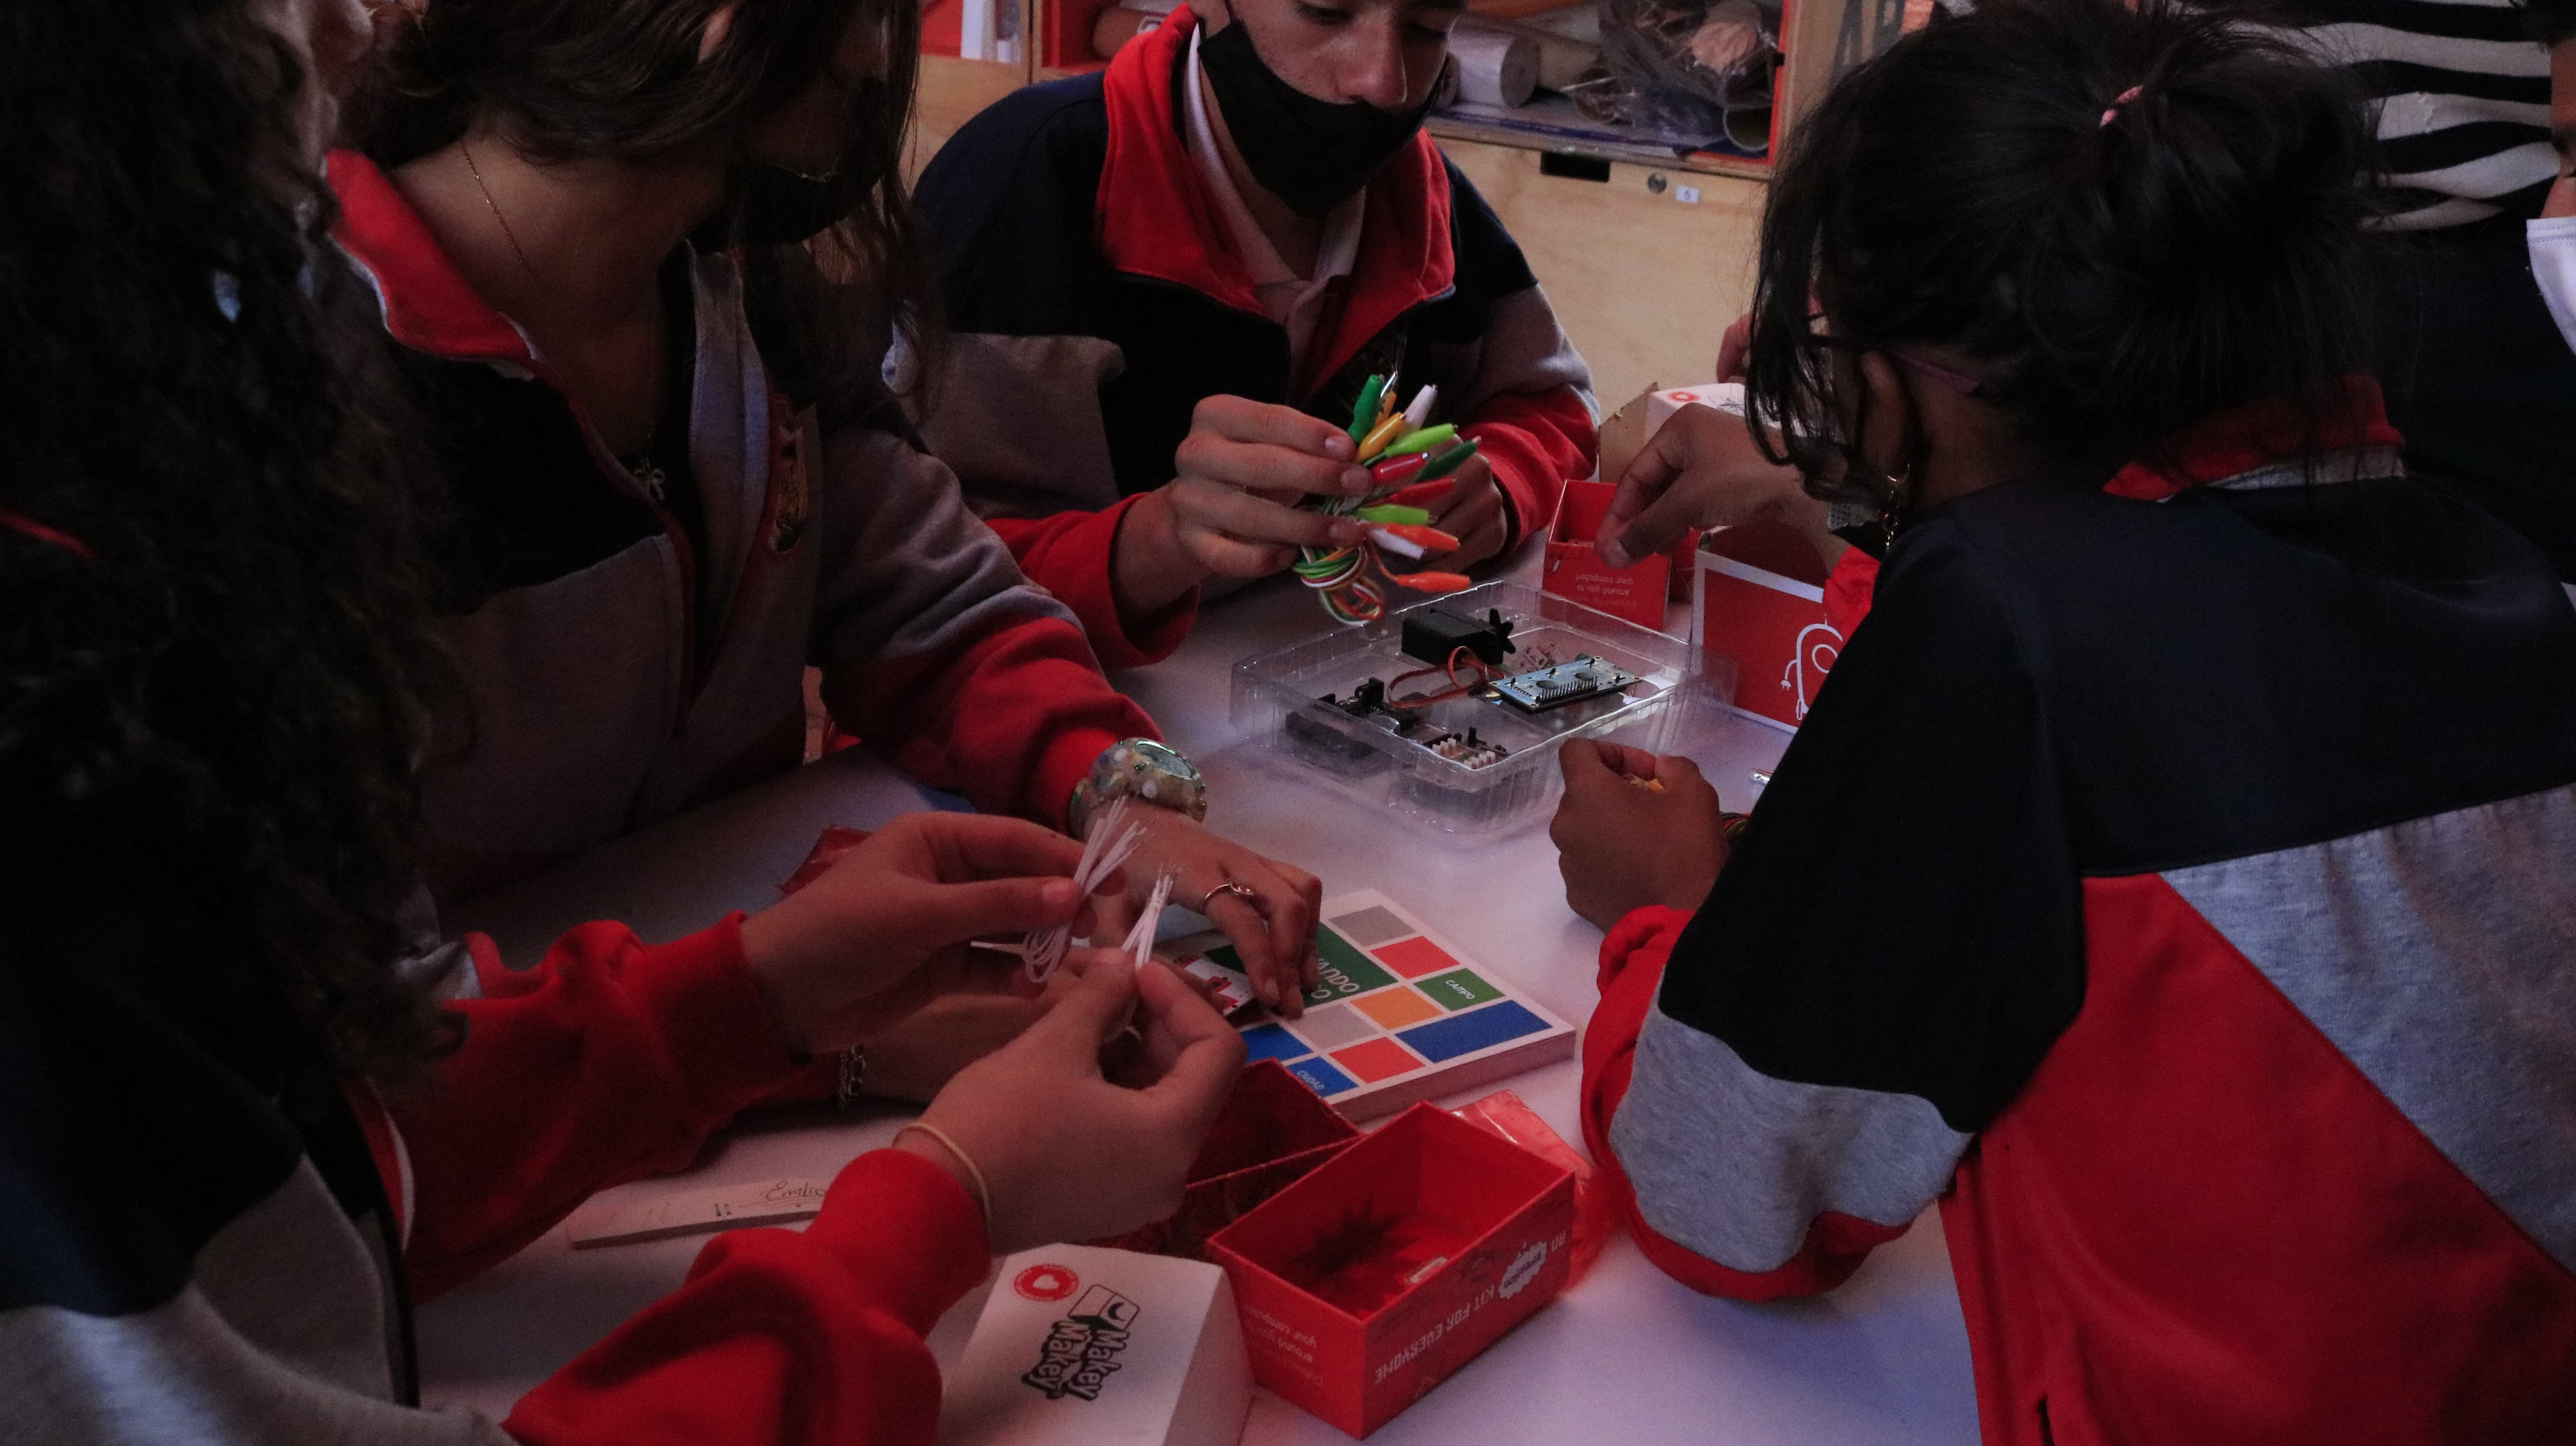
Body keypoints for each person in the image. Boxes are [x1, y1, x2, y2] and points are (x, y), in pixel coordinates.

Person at [0, 3, 1244, 1442]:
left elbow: (351, 1129)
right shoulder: (131, 651)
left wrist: (762, 995)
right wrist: (944, 1198)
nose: (363, 33)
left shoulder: (748, 296)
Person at [1548, 3, 2576, 1441]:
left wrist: (1665, 912)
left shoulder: (2006, 622)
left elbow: (1721, 1204)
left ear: (1917, 380)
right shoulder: (2489, 557)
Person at [335, 0, 1324, 1027]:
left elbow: (934, 607)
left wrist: (1115, 788)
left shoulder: (746, 291)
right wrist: (798, 1038)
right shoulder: (292, 380)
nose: (875, 50)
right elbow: (342, 1026)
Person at [908, 0, 1598, 662]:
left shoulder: (1420, 196)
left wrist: (1502, 480)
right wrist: (1155, 541)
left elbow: (1552, 406)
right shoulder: (1022, 187)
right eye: (1326, 13)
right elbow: (906, 580)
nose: (1383, 83)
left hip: (1317, 679)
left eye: (1425, 27)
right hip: (1063, 709)